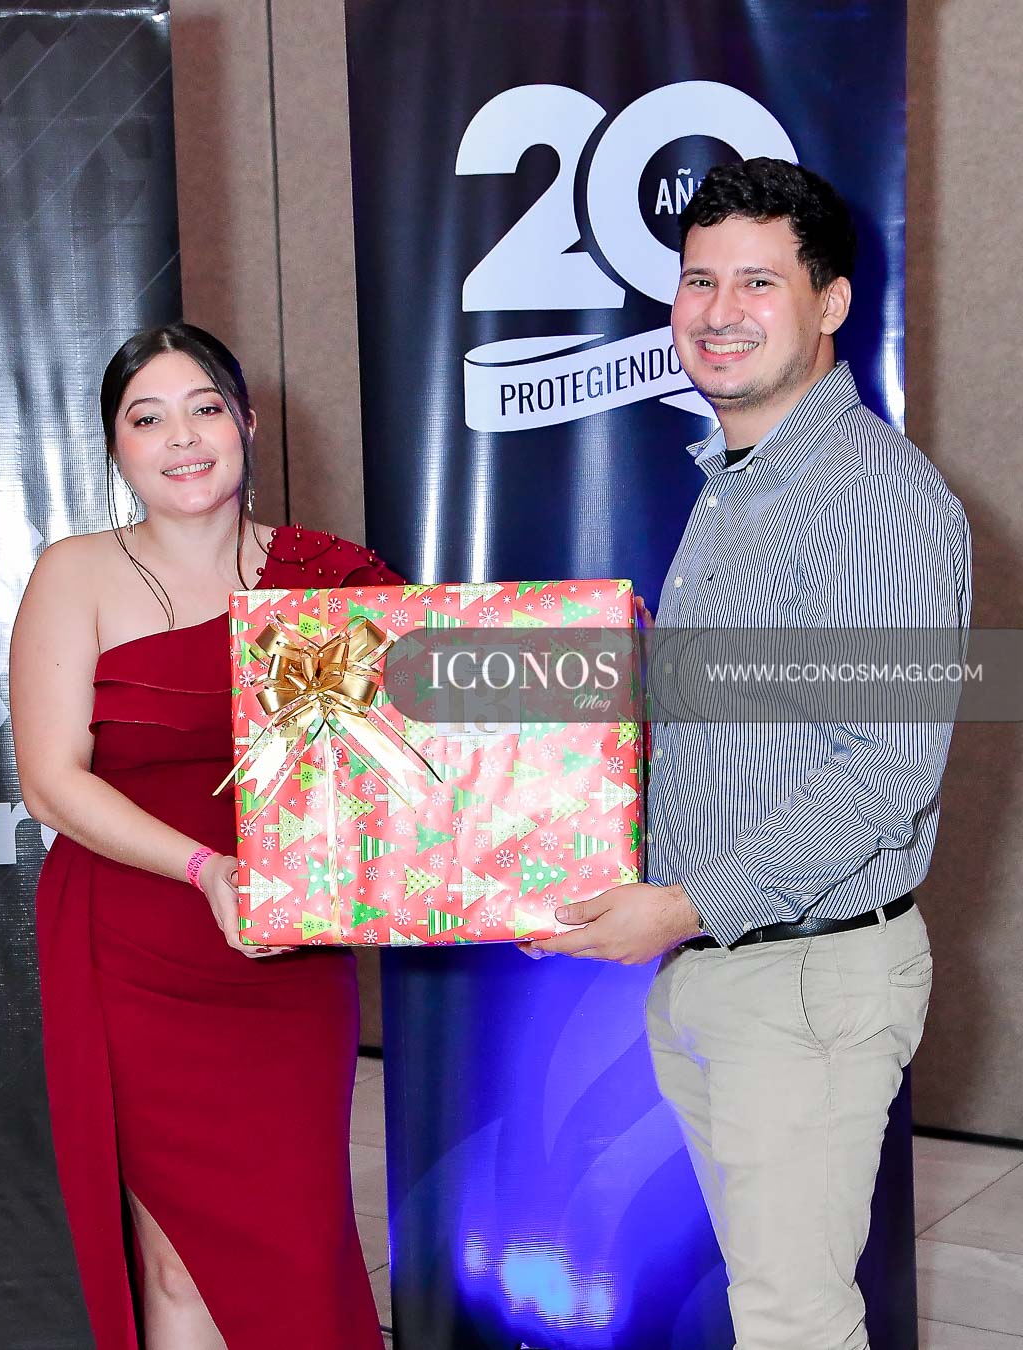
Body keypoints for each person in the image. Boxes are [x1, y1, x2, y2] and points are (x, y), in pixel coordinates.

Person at [528, 159, 971, 1350]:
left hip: (805, 981)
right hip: (725, 969)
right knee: (770, 1301)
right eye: (699, 281)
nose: (719, 311)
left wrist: (679, 906)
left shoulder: (872, 499)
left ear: (830, 302)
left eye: (759, 282)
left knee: (792, 1322)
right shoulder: (741, 486)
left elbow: (882, 774)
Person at [11, 322, 394, 1350]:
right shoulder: (75, 573)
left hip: (285, 953)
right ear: (116, 447)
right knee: (174, 1258)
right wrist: (203, 867)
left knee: (299, 1237)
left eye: (205, 408)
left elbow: (412, 766)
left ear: (248, 423)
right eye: (148, 419)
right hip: (132, 944)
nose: (181, 438)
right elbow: (50, 781)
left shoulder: (334, 577)